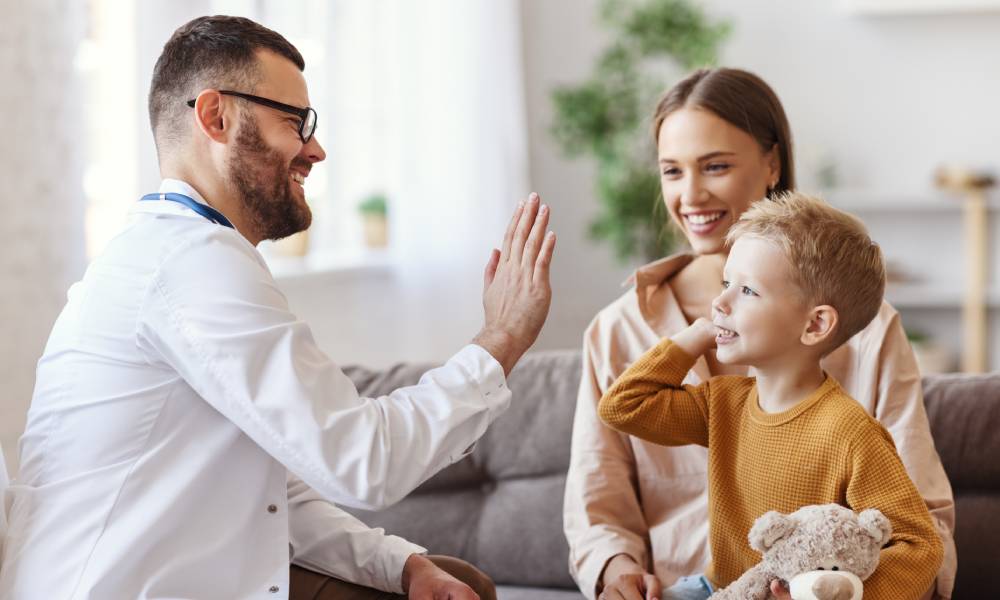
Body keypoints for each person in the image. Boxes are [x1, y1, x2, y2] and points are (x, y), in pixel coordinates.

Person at [0, 16, 556, 600]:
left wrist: (401, 565)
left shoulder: (181, 253)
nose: (315, 149)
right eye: (295, 122)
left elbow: (272, 487)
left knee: (450, 580)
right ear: (215, 117)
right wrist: (504, 336)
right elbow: (363, 461)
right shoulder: (189, 262)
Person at [564, 67, 956, 600]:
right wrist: (616, 573)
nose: (691, 194)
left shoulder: (868, 333)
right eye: (672, 171)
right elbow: (598, 504)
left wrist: (840, 592)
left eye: (716, 166)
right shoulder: (617, 332)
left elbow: (920, 524)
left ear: (772, 163)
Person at [598, 192, 944, 599]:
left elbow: (920, 546)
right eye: (727, 283)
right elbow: (622, 407)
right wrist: (688, 340)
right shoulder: (721, 403)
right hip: (720, 588)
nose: (720, 302)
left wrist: (835, 593)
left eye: (747, 291)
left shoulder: (851, 432)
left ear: (815, 325)